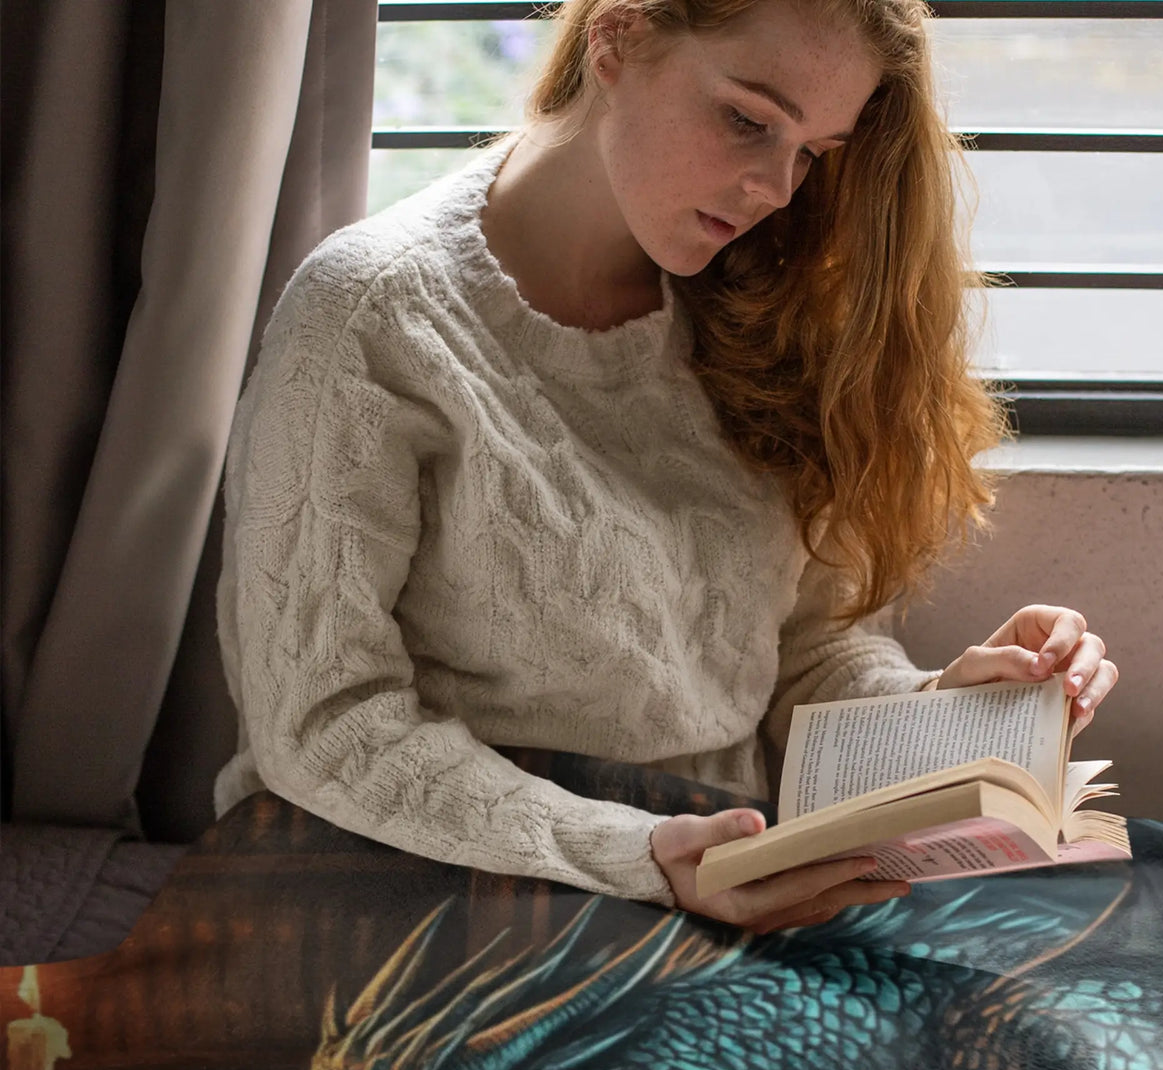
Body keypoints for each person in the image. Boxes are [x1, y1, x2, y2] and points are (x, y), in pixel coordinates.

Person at [214, 0, 1117, 935]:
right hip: (423, 882)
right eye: (746, 120)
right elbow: (323, 723)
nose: (775, 185)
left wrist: (947, 716)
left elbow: (805, 661)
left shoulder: (775, 305)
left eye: (813, 152)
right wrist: (640, 856)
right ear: (616, 37)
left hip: (721, 878)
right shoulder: (369, 315)